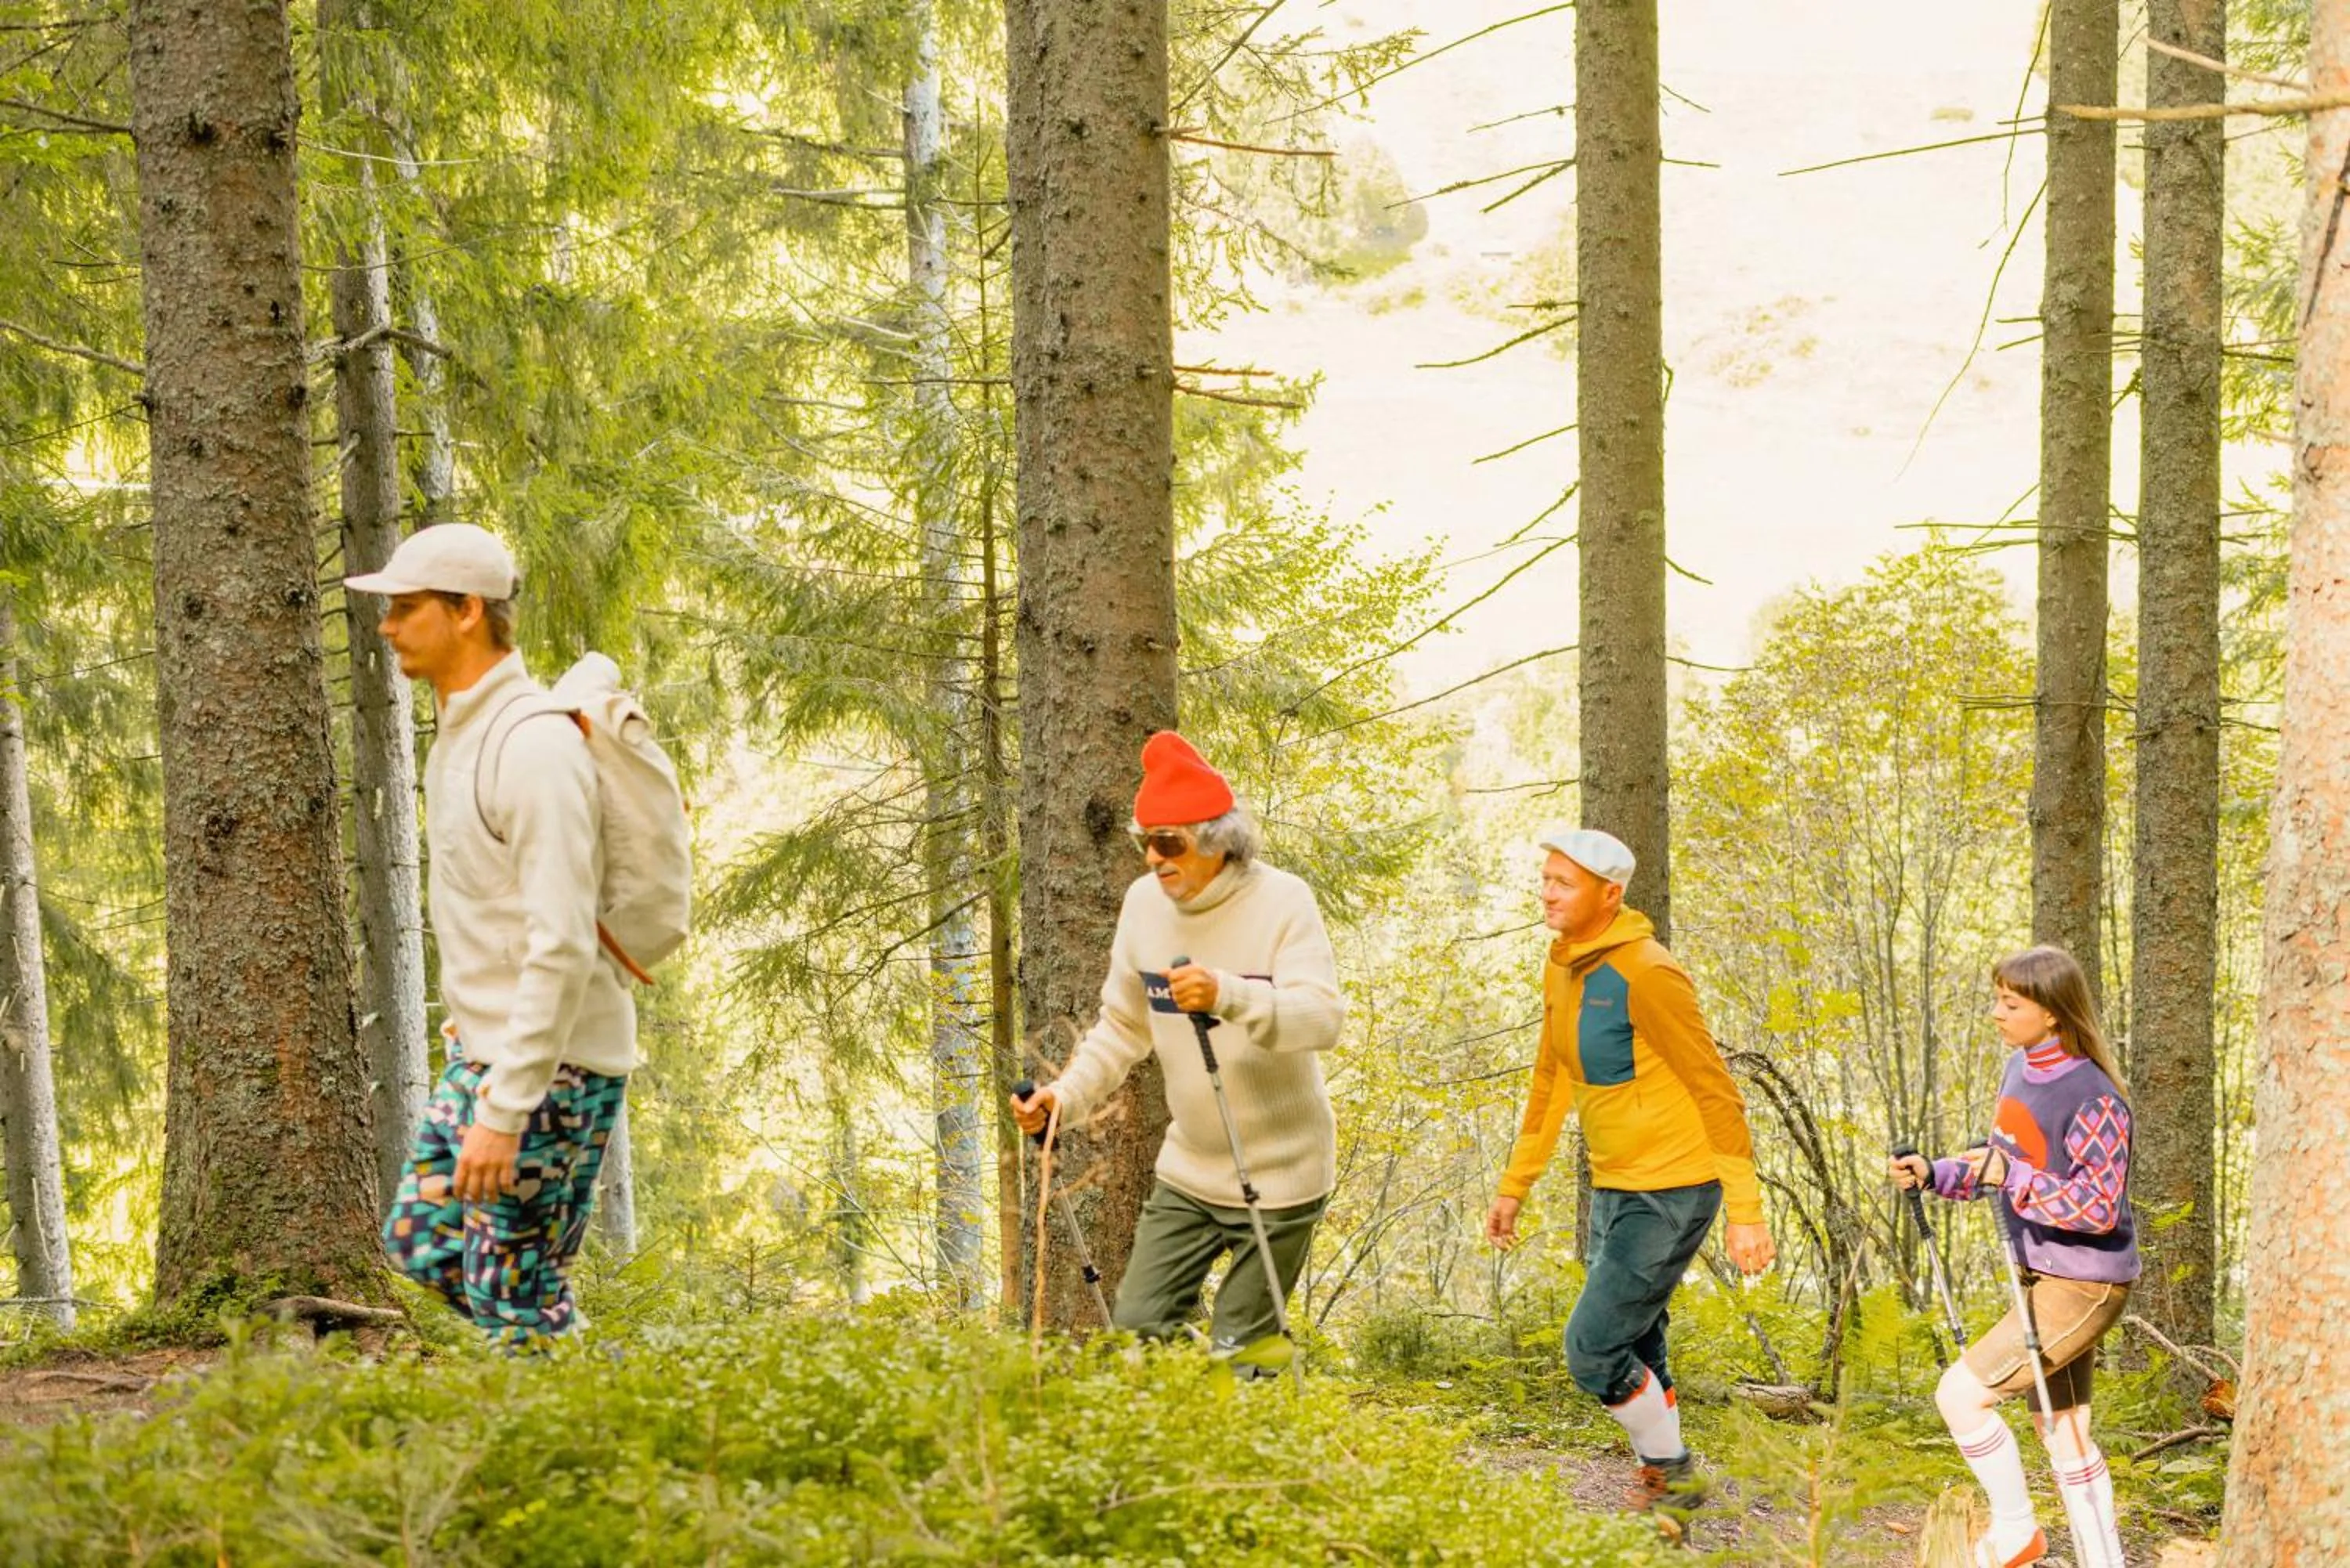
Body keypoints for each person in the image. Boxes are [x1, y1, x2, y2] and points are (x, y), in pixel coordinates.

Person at [349, 523, 634, 1348]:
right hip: (488, 1052)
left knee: (515, 1284)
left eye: (406, 607)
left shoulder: (534, 745)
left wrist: (507, 1109)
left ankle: (577, 1446)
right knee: (420, 1240)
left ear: (467, 609)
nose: (388, 625)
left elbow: (562, 941)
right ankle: (574, 1368)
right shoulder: (464, 736)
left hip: (556, 1068)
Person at [1010, 731, 1345, 1363]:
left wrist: (1229, 994)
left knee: (1241, 1350)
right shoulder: (1143, 907)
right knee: (1137, 1326)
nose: (1152, 860)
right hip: (1191, 1169)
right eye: (1144, 842)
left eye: (1168, 843)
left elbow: (1323, 1019)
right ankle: (1184, 1434)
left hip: (1283, 1174)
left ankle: (1249, 1445)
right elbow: (1121, 1028)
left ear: (1219, 842)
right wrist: (1063, 1100)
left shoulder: (1282, 900)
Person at [1484, 827, 1774, 1510]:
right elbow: (1549, 1081)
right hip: (1614, 1186)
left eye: (1563, 882)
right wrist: (1514, 1185)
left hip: (1673, 1189)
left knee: (1592, 1347)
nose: (1546, 891)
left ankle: (1675, 1475)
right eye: (1546, 877)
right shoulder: (1563, 966)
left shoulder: (1648, 972)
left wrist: (1747, 1212)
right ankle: (1669, 1502)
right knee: (1641, 1346)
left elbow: (1717, 1092)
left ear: (1609, 894)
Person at [1891, 945, 2135, 1568]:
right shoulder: (2021, 1070)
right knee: (2064, 1431)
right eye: (1997, 999)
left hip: (2082, 1284)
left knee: (1959, 1395)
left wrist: (2014, 1178)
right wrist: (1935, 1173)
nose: (1996, 1013)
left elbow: (2097, 1207)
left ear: (2052, 1013)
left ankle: (2017, 1532)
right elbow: (2001, 1165)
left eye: (2011, 1003)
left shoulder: (2094, 1094)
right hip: (2041, 1275)